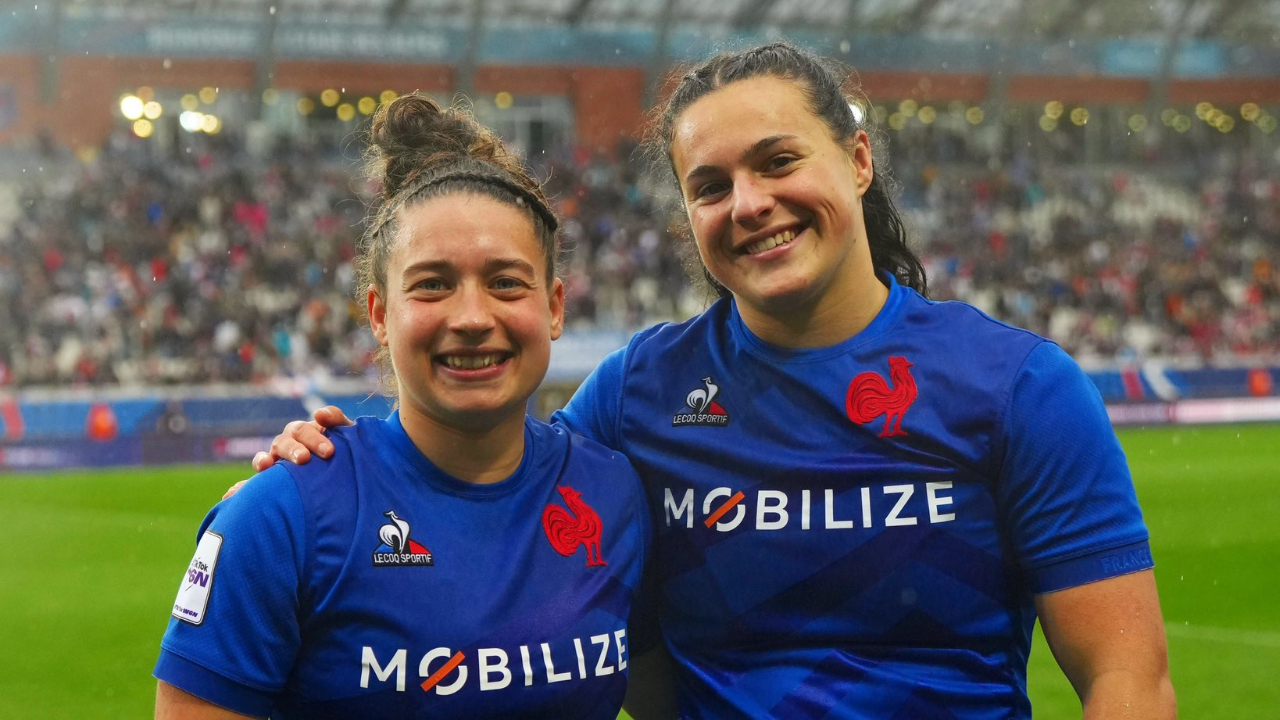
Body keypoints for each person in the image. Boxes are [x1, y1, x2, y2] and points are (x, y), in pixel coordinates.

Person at [248, 42, 1176, 719]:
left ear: (857, 162)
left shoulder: (1019, 387)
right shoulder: (637, 394)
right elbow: (482, 467)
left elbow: (1126, 681)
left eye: (778, 161)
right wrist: (324, 460)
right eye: (711, 184)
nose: (750, 204)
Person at [154, 93, 652, 719]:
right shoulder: (279, 517)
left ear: (553, 307)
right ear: (380, 315)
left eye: (505, 282)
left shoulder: (614, 493)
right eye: (432, 285)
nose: (472, 317)